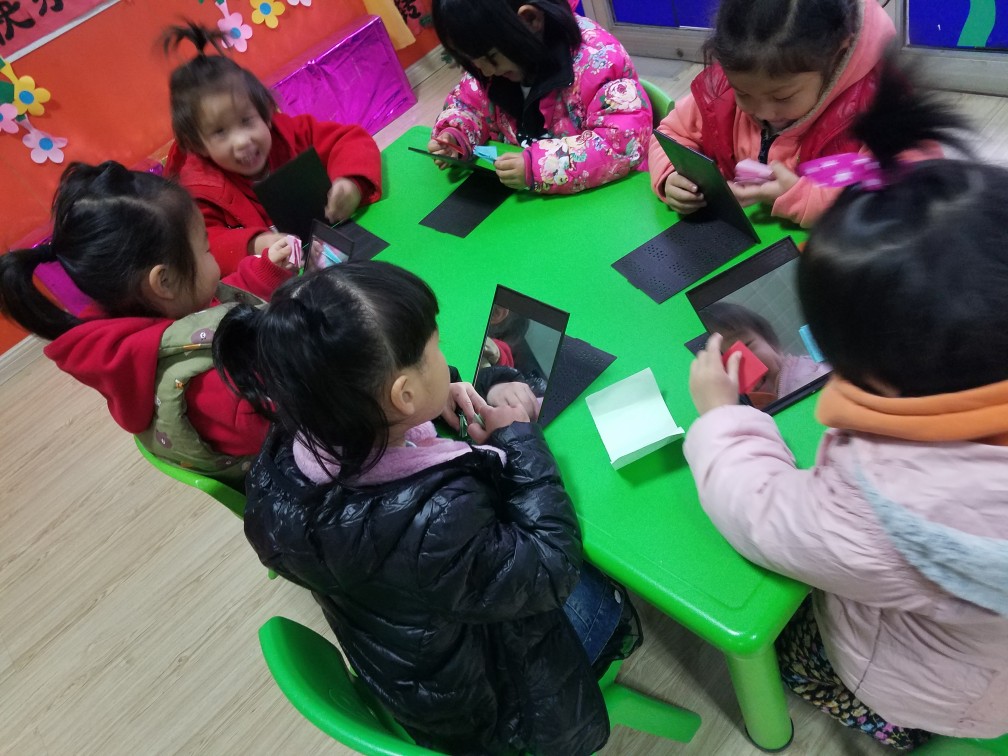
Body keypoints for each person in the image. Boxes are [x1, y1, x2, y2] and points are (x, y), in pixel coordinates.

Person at [683, 73, 1007, 749]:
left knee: (780, 637)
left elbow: (764, 516)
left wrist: (720, 420)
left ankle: (899, 729)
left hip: (955, 691)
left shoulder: (886, 508)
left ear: (877, 372)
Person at [213, 261, 640, 754]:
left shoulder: (292, 451)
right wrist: (520, 438)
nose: (444, 356)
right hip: (499, 708)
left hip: (415, 674)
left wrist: (434, 402)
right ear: (403, 394)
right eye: (435, 349)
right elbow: (550, 567)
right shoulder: (436, 520)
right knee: (605, 593)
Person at [0, 161, 295, 479]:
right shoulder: (210, 386)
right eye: (206, 250)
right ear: (164, 282)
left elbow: (211, 309)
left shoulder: (147, 318)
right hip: (286, 469)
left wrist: (262, 272)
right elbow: (299, 426)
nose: (213, 258)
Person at [649, 0, 895, 228]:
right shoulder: (726, 86)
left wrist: (800, 197)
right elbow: (669, 134)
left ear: (836, 55)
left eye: (782, 97)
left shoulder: (879, 109)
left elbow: (892, 202)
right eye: (743, 93)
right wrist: (671, 175)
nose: (763, 112)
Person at [162, 22, 383, 275]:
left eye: (247, 121)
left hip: (335, 250)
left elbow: (350, 140)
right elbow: (203, 244)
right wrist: (255, 244)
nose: (242, 141)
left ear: (266, 115)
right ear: (199, 145)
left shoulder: (290, 134)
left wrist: (351, 183)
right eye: (220, 132)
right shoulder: (201, 188)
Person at [427, 0, 651, 194]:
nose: (485, 71)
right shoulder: (492, 69)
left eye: (491, 57)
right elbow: (467, 105)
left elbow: (620, 144)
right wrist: (456, 134)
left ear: (530, 19)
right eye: (472, 61)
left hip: (605, 196)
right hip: (529, 204)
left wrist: (539, 167)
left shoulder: (599, 61)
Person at [702, 301, 829, 407]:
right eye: (725, 366)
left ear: (773, 345)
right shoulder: (749, 409)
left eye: (746, 346)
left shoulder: (806, 373)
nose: (738, 365)